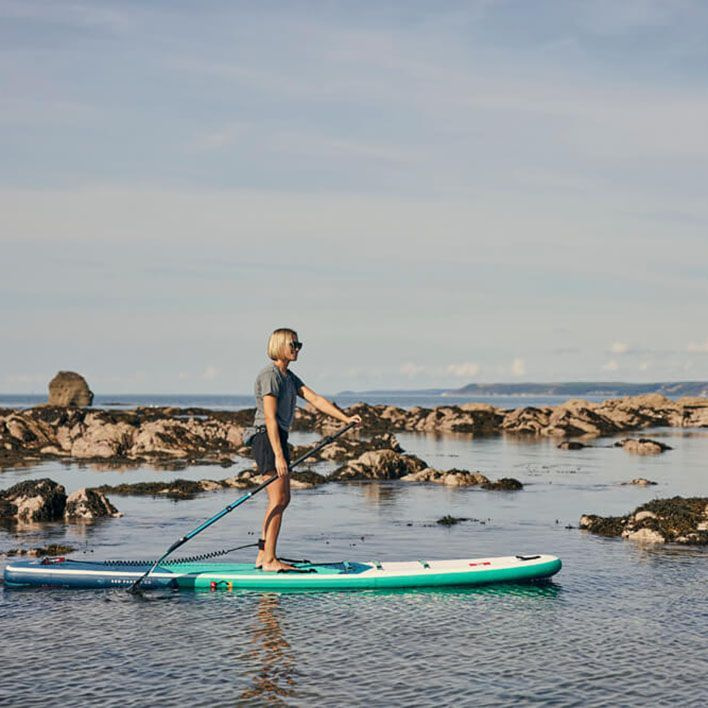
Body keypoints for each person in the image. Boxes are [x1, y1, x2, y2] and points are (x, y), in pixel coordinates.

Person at [252, 328, 361, 572]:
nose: (298, 349)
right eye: (294, 344)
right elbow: (269, 418)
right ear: (280, 346)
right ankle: (269, 560)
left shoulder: (289, 377)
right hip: (267, 439)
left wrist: (345, 419)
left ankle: (263, 556)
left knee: (280, 500)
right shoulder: (269, 375)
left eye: (299, 344)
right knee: (279, 499)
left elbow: (316, 399)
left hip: (277, 438)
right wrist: (279, 455)